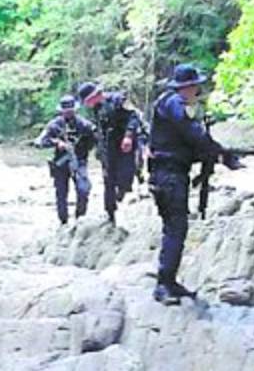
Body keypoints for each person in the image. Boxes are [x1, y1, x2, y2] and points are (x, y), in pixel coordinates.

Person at [147, 63, 242, 305]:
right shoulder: (173, 104)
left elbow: (191, 141)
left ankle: (169, 281)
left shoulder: (172, 105)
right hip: (167, 174)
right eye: (193, 86)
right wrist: (223, 154)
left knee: (176, 228)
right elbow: (194, 135)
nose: (196, 90)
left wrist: (216, 155)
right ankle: (163, 284)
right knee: (175, 227)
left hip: (171, 173)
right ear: (185, 87)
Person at [78, 81, 148, 225]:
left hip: (125, 146)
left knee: (126, 177)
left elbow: (134, 117)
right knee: (108, 182)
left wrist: (128, 135)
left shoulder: (118, 100)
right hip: (108, 148)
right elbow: (99, 128)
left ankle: (122, 192)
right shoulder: (96, 108)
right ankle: (110, 214)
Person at [35, 95, 98, 225]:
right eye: (66, 110)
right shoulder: (54, 125)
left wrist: (83, 149)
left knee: (83, 189)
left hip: (79, 161)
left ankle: (80, 219)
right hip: (60, 163)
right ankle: (63, 222)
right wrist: (56, 143)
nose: (69, 112)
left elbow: (95, 139)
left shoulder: (84, 125)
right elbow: (39, 142)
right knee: (61, 193)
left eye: (71, 110)